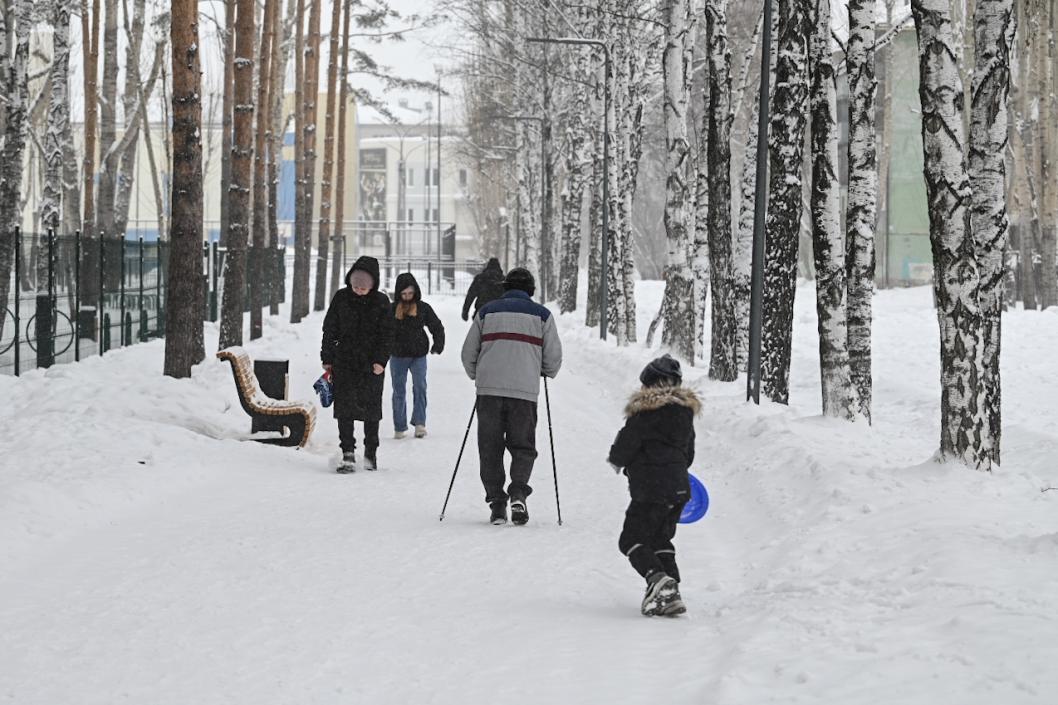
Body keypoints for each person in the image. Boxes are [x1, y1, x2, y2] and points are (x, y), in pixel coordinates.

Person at [461, 267, 562, 526]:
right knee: (523, 446)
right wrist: (541, 371)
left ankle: (497, 504)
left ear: (505, 288)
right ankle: (518, 491)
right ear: (531, 291)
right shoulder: (543, 316)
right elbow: (553, 360)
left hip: (490, 391)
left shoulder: (487, 311)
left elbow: (468, 352)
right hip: (524, 394)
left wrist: (479, 375)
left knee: (490, 447)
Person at [607, 354, 700, 617]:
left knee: (631, 539)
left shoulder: (643, 414)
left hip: (650, 488)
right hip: (679, 489)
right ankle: (671, 588)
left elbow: (624, 446)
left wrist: (618, 461)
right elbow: (688, 455)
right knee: (661, 538)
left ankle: (658, 580)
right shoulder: (685, 415)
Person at [321, 256, 393, 473]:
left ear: (372, 285)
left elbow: (387, 335)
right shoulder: (341, 298)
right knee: (344, 408)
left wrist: (381, 360)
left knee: (371, 410)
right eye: (355, 286)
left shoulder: (381, 302)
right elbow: (330, 329)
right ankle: (348, 453)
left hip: (371, 365)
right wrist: (327, 357)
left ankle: (371, 453)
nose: (359, 291)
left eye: (363, 288)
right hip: (344, 361)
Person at [389, 272, 445, 439]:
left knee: (420, 387)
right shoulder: (391, 310)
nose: (407, 297)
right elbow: (381, 332)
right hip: (397, 356)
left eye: (410, 293)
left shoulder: (423, 308)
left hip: (418, 355)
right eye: (404, 294)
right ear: (399, 293)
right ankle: (399, 426)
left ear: (416, 292)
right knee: (398, 391)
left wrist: (438, 345)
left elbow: (437, 326)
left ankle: (420, 423)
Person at [461, 257, 505, 321]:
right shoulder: (503, 280)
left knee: (478, 330)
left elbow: (470, 295)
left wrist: (465, 311)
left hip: (481, 312)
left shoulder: (480, 278)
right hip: (498, 313)